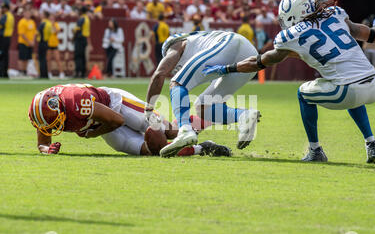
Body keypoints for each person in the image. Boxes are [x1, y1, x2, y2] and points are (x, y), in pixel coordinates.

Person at [203, 0, 375, 164]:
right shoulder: (335, 14)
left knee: (303, 93)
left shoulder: (290, 35)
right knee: (350, 79)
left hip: (347, 91)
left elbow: (260, 62)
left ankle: (315, 150)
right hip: (374, 84)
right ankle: (372, 144)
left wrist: (228, 69)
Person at [28, 84, 231, 157]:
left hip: (116, 105)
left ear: (60, 107)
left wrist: (91, 134)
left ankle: (210, 115)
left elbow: (117, 120)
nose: (54, 128)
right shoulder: (45, 110)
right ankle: (204, 148)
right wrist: (47, 149)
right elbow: (43, 142)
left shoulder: (77, 101)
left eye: (56, 122)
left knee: (168, 131)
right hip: (102, 125)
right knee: (152, 150)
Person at [144, 30, 260, 158]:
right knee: (203, 107)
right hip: (249, 55)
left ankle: (185, 130)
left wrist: (149, 109)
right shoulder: (200, 45)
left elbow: (159, 74)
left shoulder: (175, 45)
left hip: (228, 43)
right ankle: (244, 115)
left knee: (177, 82)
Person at [17, 8, 36, 76]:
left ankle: (25, 71)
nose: (28, 14)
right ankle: (20, 71)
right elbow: (22, 33)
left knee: (27, 58)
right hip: (23, 42)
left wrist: (33, 41)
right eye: (26, 13)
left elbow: (34, 33)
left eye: (29, 13)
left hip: (30, 43)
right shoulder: (22, 22)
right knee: (22, 57)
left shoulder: (32, 22)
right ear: (24, 14)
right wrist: (29, 41)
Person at [73, 6, 91, 78]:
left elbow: (78, 29)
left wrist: (73, 37)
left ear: (81, 12)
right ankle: (83, 73)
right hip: (84, 39)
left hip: (80, 39)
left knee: (78, 56)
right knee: (83, 56)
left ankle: (78, 72)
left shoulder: (81, 19)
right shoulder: (87, 19)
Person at [37, 11, 52, 79]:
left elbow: (37, 32)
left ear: (44, 15)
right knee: (44, 58)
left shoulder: (43, 23)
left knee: (41, 59)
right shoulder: (49, 23)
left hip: (42, 42)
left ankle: (42, 74)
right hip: (46, 42)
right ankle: (45, 74)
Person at [0, 4, 14, 78]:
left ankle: (2, 72)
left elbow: (1, 24)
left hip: (3, 37)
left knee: (2, 55)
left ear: (6, 9)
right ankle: (5, 72)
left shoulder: (5, 16)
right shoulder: (11, 16)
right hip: (8, 37)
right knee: (6, 55)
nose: (2, 9)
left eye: (3, 8)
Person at [47, 13, 64, 78]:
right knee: (48, 59)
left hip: (54, 44)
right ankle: (49, 73)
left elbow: (57, 31)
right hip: (48, 43)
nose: (51, 19)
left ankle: (61, 73)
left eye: (52, 18)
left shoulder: (56, 24)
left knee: (57, 59)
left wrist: (53, 25)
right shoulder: (47, 25)